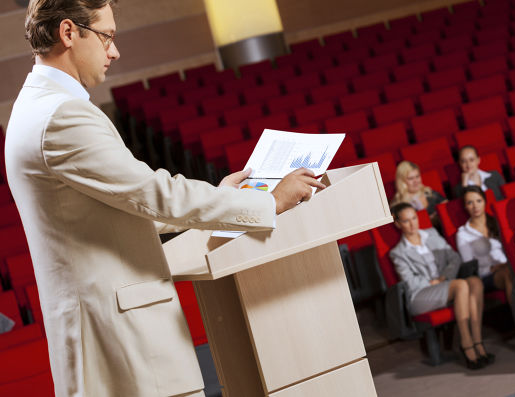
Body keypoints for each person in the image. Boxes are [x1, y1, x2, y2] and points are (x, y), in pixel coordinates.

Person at [5, 1, 324, 396]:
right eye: (107, 36)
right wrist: (267, 202)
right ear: (69, 33)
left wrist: (219, 195)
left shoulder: (34, 106)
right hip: (121, 332)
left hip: (98, 326)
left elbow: (116, 207)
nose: (115, 51)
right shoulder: (62, 116)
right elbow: (153, 194)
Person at [389, 202, 494, 369]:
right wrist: (434, 283)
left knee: (474, 282)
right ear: (398, 224)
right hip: (421, 295)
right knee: (460, 285)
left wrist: (444, 277)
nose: (412, 224)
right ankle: (466, 344)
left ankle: (477, 341)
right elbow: (410, 282)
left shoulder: (431, 235)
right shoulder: (398, 252)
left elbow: (454, 258)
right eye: (406, 221)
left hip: (446, 283)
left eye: (414, 218)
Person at [456, 186, 515, 359]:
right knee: (508, 274)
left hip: (508, 268)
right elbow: (470, 266)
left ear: (484, 202)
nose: (475, 206)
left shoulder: (495, 221)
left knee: (512, 272)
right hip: (485, 276)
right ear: (465, 207)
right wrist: (491, 268)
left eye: (478, 201)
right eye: (470, 203)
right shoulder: (463, 234)